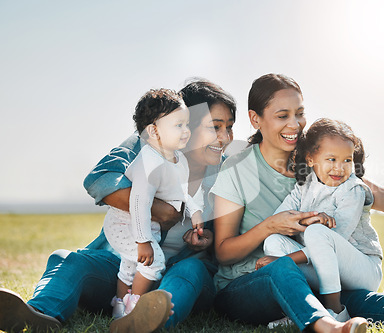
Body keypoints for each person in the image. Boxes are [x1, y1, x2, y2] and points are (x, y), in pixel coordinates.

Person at [210, 73, 384, 333]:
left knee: (364, 300)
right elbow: (224, 253)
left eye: (299, 113)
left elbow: (380, 196)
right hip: (248, 284)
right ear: (255, 119)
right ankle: (328, 327)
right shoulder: (238, 169)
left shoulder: (318, 157)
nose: (295, 124)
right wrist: (271, 226)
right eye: (282, 115)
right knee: (281, 269)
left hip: (308, 274)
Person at [0, 79, 237, 333]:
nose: (224, 138)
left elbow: (227, 241)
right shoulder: (149, 145)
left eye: (230, 128)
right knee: (68, 259)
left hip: (178, 279)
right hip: (128, 272)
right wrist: (159, 210)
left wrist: (206, 239)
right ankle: (39, 315)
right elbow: (100, 179)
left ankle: (146, 322)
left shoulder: (227, 173)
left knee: (192, 268)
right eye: (215, 127)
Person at [257, 118, 383, 323]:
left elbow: (331, 241)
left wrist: (286, 260)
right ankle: (304, 307)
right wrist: (310, 219)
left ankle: (335, 310)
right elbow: (279, 220)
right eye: (331, 159)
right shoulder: (304, 186)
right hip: (322, 264)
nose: (339, 168)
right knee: (272, 241)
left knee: (317, 233)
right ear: (310, 159)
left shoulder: (353, 190)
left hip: (362, 270)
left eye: (347, 160)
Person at [104, 88, 203, 319]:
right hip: (124, 225)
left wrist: (195, 210)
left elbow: (181, 194)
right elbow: (139, 203)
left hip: (143, 226)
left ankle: (118, 307)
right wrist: (143, 241)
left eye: (186, 124)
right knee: (154, 263)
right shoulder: (149, 162)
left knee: (129, 268)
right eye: (178, 125)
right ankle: (133, 310)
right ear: (153, 131)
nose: (186, 131)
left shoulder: (179, 159)